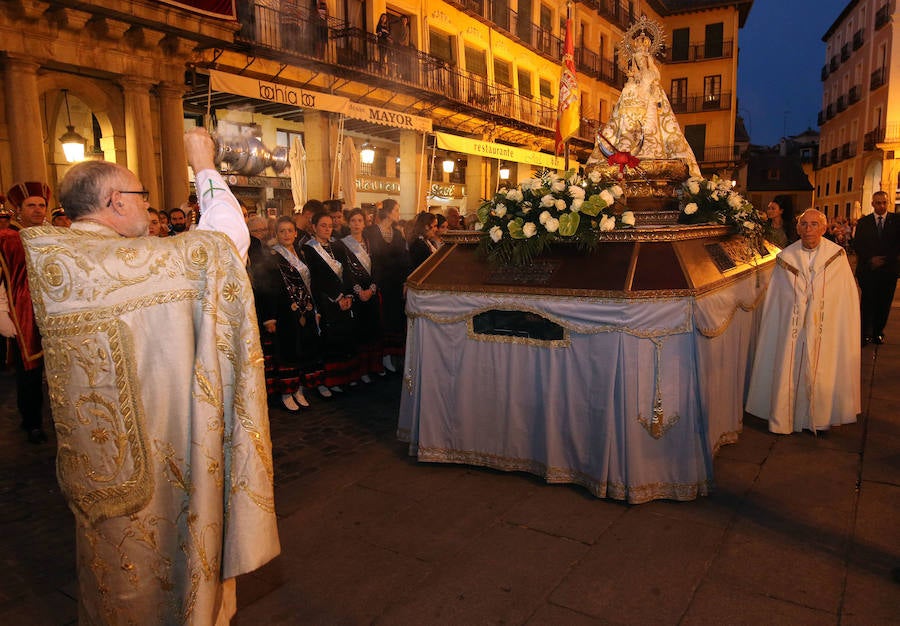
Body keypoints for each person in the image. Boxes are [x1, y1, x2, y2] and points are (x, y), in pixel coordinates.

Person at [19, 128, 279, 624]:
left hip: (98, 465)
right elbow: (226, 244)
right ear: (116, 201)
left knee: (112, 573)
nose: (146, 205)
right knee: (165, 570)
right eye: (140, 195)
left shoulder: (61, 259)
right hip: (161, 456)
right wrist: (203, 164)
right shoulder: (128, 264)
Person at [746, 209, 861, 435]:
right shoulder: (785, 258)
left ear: (824, 228)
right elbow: (777, 301)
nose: (809, 230)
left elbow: (844, 298)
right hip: (793, 328)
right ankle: (786, 417)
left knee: (824, 367)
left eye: (814, 224)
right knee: (789, 366)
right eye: (804, 225)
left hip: (825, 328)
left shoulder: (837, 256)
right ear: (797, 229)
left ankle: (820, 418)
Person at [599, 19, 700, 177]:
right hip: (631, 115)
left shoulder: (650, 71)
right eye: (637, 59)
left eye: (642, 59)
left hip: (649, 110)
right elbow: (622, 111)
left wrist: (650, 90)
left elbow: (655, 81)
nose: (639, 61)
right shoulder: (631, 84)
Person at [2, 181, 50, 444]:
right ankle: (31, 421)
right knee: (29, 370)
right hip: (23, 313)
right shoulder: (7, 239)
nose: (38, 210)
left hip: (55, 311)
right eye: (31, 205)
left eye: (41, 205)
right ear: (17, 209)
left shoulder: (53, 235)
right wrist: (2, 313)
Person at [259, 216, 320, 409]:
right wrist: (270, 317)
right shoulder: (272, 256)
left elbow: (311, 283)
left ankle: (299, 389)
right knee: (287, 350)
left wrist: (316, 309)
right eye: (282, 231)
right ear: (276, 234)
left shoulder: (301, 253)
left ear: (296, 233)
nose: (286, 234)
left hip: (305, 309)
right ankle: (287, 392)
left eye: (290, 231)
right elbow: (266, 288)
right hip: (284, 311)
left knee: (304, 348)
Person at [305, 212, 358, 395]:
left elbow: (348, 271)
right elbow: (317, 278)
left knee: (344, 337)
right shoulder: (309, 249)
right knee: (329, 339)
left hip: (344, 299)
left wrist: (349, 295)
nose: (327, 229)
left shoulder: (338, 245)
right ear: (314, 227)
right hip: (326, 300)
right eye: (323, 226)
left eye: (329, 226)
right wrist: (337, 296)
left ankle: (344, 377)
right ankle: (327, 381)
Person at [363, 199, 410, 372]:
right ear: (388, 212)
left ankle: (390, 355)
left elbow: (404, 259)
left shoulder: (397, 234)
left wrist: (405, 280)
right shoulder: (370, 232)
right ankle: (379, 358)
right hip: (378, 283)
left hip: (395, 285)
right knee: (380, 321)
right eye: (396, 210)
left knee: (393, 321)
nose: (398, 214)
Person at [342, 208, 383, 383]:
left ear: (365, 223)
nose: (357, 224)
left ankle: (372, 367)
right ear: (348, 223)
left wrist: (372, 288)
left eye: (360, 220)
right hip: (356, 295)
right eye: (353, 221)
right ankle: (359, 371)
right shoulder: (342, 244)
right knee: (358, 333)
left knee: (372, 331)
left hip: (371, 293)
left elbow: (378, 267)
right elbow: (345, 271)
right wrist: (359, 291)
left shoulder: (371, 242)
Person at [853, 190, 899, 345]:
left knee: (884, 303)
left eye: (884, 202)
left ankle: (878, 332)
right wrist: (871, 258)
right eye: (878, 202)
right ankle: (865, 333)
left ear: (888, 203)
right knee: (867, 302)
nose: (881, 205)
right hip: (868, 270)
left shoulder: (897, 221)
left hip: (888, 270)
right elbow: (858, 244)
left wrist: (885, 259)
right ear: (873, 204)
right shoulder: (864, 222)